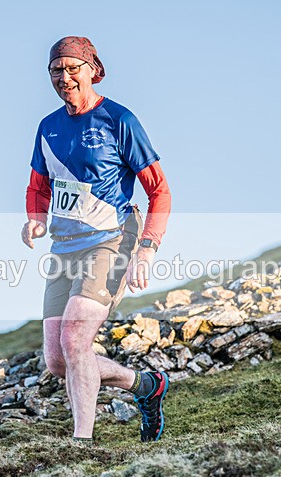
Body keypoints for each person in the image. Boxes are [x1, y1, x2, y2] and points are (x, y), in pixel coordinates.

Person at [21, 36, 172, 445]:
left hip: (113, 238)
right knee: (58, 360)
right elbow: (38, 186)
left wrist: (147, 247)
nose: (65, 77)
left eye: (73, 68)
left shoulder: (119, 120)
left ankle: (81, 442)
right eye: (56, 70)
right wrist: (35, 219)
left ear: (93, 70)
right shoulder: (48, 127)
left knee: (75, 339)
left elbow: (159, 190)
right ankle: (145, 385)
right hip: (64, 247)